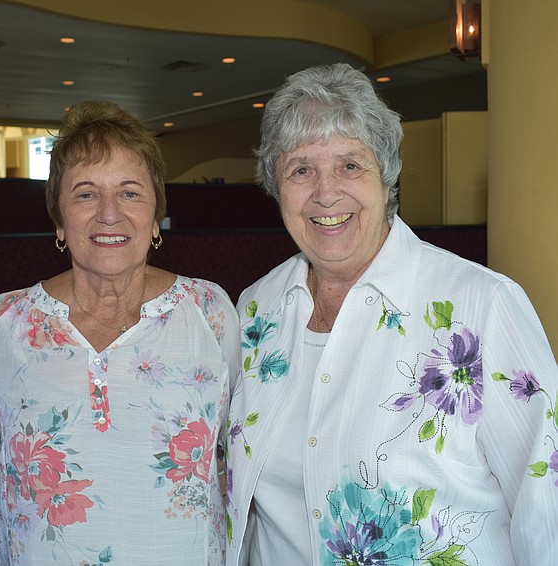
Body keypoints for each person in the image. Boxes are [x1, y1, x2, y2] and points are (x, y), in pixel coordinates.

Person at [225, 62, 558, 565]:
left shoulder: (482, 307)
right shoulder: (254, 312)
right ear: (275, 185)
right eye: (301, 169)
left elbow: (546, 502)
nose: (325, 192)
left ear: (387, 175)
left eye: (350, 165)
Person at [0, 100, 239, 565]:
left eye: (130, 192)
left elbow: (242, 463)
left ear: (156, 211)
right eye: (85, 193)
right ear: (58, 218)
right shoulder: (3, 324)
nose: (109, 214)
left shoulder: (209, 314)